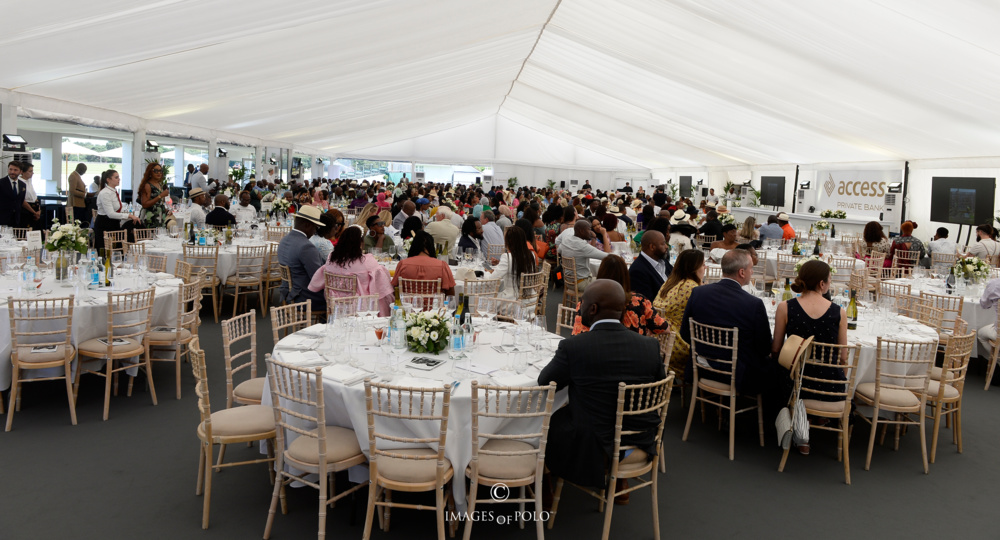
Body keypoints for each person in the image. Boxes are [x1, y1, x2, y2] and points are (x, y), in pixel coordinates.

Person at [539, 279, 666, 489]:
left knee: (553, 420)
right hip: (639, 437)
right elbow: (658, 390)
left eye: (582, 304)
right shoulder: (649, 346)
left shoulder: (574, 347)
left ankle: (545, 487)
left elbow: (545, 382)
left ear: (593, 308)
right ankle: (620, 478)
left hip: (592, 442)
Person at [770, 259, 847, 455]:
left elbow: (776, 348)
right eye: (830, 280)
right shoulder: (839, 312)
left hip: (796, 382)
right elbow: (843, 357)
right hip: (829, 386)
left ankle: (798, 428)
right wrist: (840, 381)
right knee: (835, 371)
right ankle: (818, 417)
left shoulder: (785, 307)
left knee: (777, 369)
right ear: (822, 284)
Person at [680, 250, 775, 396]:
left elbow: (685, 333)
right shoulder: (753, 304)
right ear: (742, 272)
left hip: (701, 366)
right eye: (751, 268)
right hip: (737, 374)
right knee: (776, 366)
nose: (752, 272)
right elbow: (764, 348)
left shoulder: (698, 293)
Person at [308, 226, 394, 316]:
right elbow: (382, 284)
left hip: (335, 305)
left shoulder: (332, 258)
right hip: (360, 307)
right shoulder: (366, 261)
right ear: (360, 243)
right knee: (380, 293)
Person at [574, 255, 668, 336]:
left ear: (600, 274)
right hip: (632, 354)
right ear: (626, 276)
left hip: (593, 353)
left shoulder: (588, 301)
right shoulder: (639, 301)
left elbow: (578, 334)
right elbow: (664, 329)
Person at [654, 250, 705, 378]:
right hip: (677, 344)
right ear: (694, 268)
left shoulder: (670, 282)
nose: (705, 268)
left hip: (659, 340)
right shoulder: (692, 287)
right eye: (703, 265)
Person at [277, 205, 327, 313]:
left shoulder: (284, 240)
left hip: (288, 293)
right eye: (316, 227)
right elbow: (317, 278)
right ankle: (326, 327)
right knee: (341, 301)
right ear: (308, 225)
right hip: (304, 298)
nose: (315, 231)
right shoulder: (306, 246)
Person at [391, 231, 456, 296]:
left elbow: (395, 288)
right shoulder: (442, 265)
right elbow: (450, 292)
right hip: (434, 305)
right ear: (431, 246)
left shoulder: (403, 264)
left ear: (413, 246)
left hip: (407, 305)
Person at [483, 226, 537, 300]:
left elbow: (491, 282)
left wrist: (487, 273)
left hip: (512, 302)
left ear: (509, 241)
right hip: (530, 300)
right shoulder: (531, 254)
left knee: (482, 298)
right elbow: (515, 266)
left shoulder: (507, 257)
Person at [557, 219, 613, 290]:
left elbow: (559, 250)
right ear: (582, 231)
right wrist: (620, 258)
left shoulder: (567, 240)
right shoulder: (582, 246)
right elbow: (606, 256)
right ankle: (595, 300)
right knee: (610, 282)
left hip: (568, 281)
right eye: (589, 229)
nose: (591, 232)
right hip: (581, 283)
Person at [94, 169, 140, 251]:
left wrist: (130, 217)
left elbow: (117, 209)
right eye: (116, 177)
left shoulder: (113, 192)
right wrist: (129, 216)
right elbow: (110, 214)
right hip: (104, 224)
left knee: (116, 250)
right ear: (108, 180)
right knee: (105, 252)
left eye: (119, 177)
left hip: (114, 223)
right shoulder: (105, 193)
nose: (119, 179)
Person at [629, 230, 669, 301]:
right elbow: (647, 304)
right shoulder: (638, 271)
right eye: (663, 244)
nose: (666, 247)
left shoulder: (663, 261)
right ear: (652, 247)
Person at [136, 162, 171, 229]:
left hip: (159, 218)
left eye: (160, 171)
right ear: (150, 172)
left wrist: (166, 210)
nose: (159, 173)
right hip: (150, 218)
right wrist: (160, 196)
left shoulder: (158, 184)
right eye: (155, 171)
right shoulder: (147, 185)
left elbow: (157, 204)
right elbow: (145, 204)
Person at [0, 161, 26, 227]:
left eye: (15, 170)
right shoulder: (1, 183)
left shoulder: (23, 185)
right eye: (10, 169)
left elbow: (21, 201)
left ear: (20, 172)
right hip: (2, 218)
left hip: (16, 219)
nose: (12, 172)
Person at [18, 162, 41, 229]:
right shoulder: (20, 182)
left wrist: (38, 210)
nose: (32, 173)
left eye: (32, 171)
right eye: (30, 171)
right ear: (22, 172)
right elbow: (22, 200)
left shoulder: (29, 181)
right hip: (27, 209)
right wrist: (34, 212)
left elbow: (34, 197)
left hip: (34, 207)